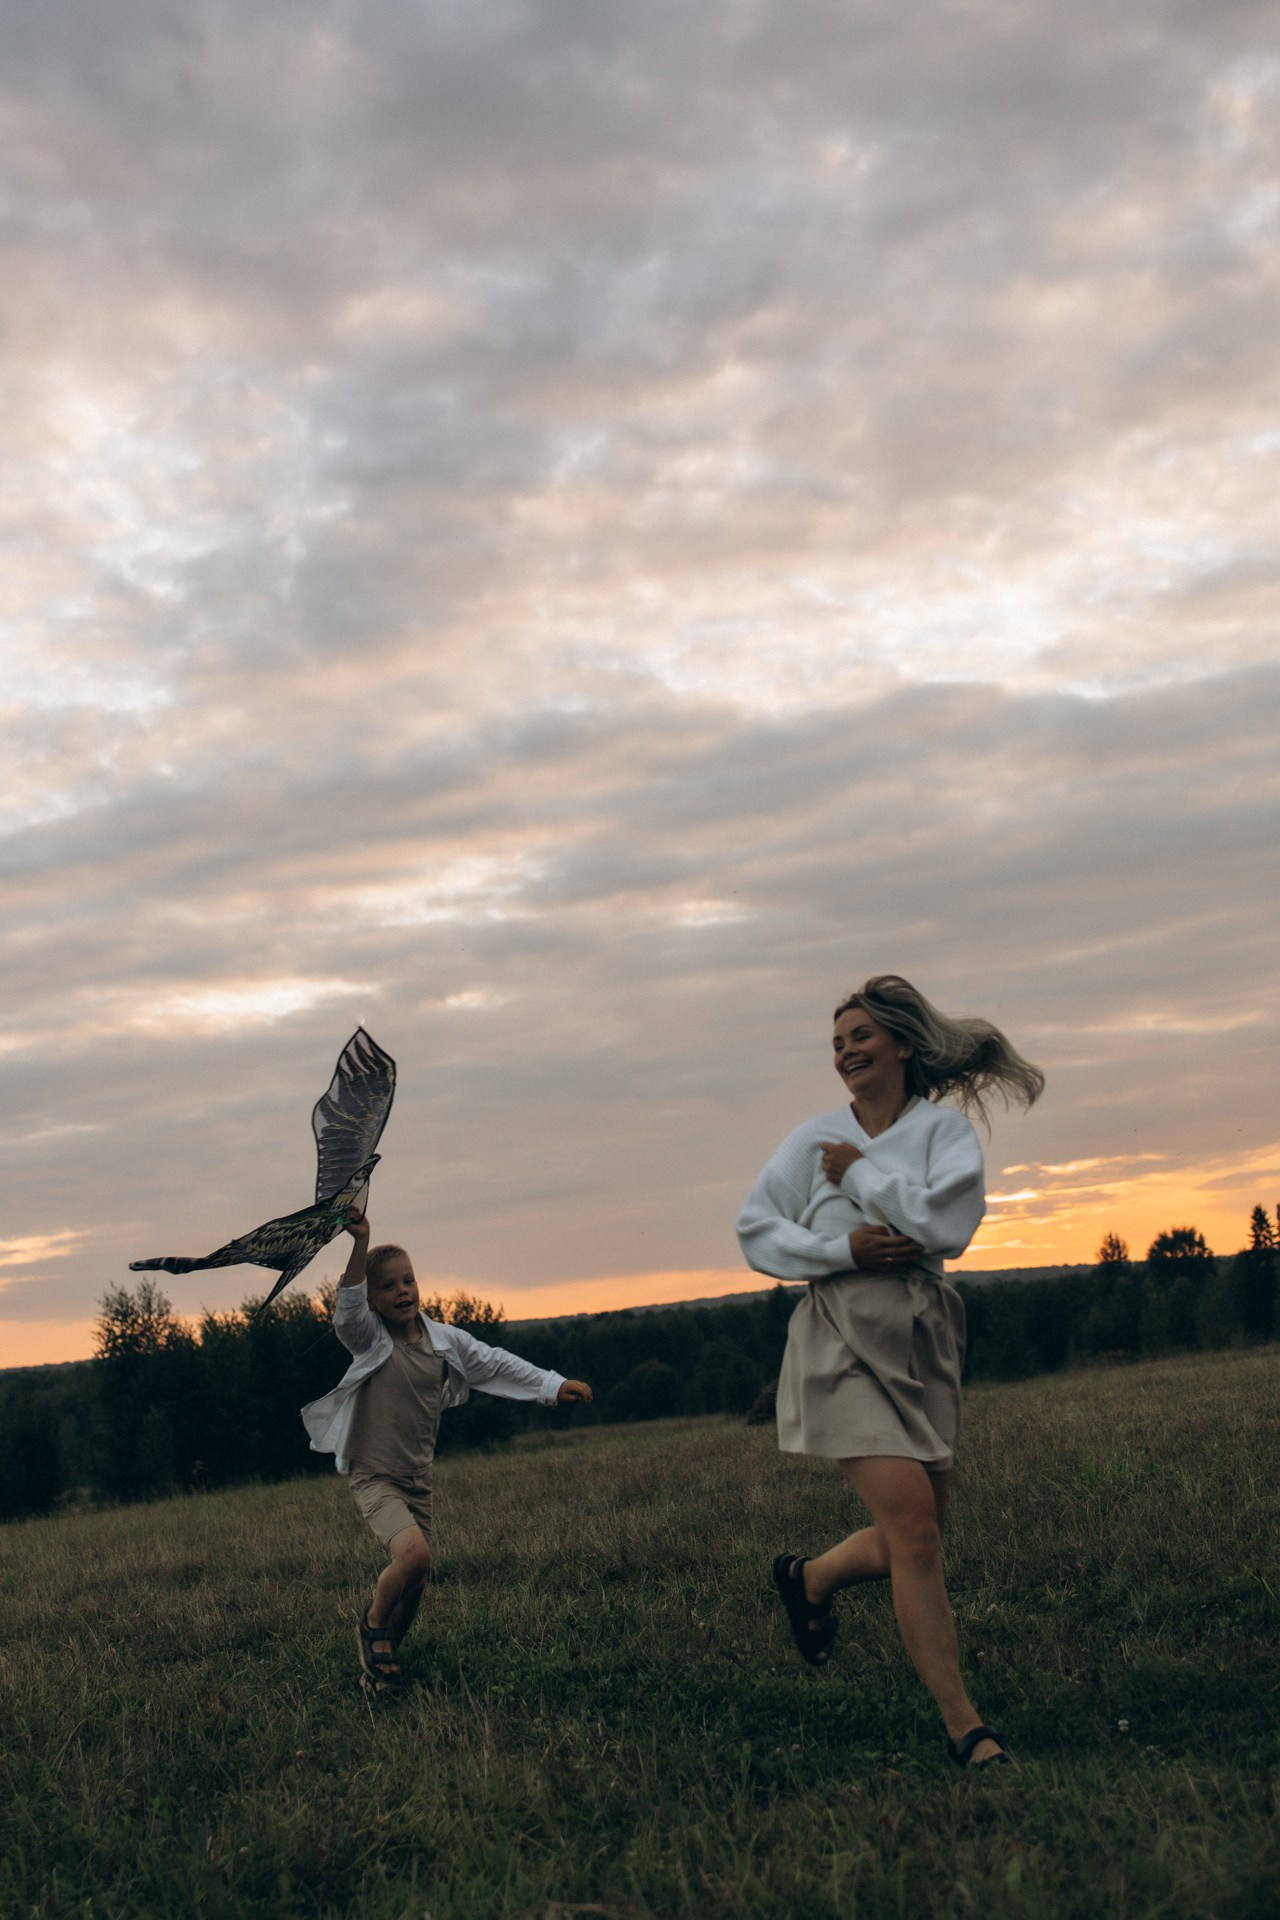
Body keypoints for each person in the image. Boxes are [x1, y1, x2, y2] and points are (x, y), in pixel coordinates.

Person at [737, 974, 1043, 1769]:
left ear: (902, 1044)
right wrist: (843, 1248)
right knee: (911, 1525)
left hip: (922, 1332)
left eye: (861, 1037)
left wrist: (862, 1175)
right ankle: (965, 1727)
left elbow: (949, 1224)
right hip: (838, 1330)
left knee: (922, 1533)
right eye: (838, 1043)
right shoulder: (810, 1141)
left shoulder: (943, 1134)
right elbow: (755, 1230)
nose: (846, 1053)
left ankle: (808, 1581)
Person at [302, 1210, 592, 1698]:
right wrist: (360, 1242)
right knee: (412, 1557)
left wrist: (553, 1385)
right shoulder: (369, 1339)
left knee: (416, 1582)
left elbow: (497, 1363)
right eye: (389, 1286)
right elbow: (346, 1309)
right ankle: (372, 1625)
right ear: (373, 1301)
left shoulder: (444, 1343)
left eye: (409, 1281)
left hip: (418, 1478)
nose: (403, 1291)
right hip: (374, 1475)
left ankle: (381, 1667)